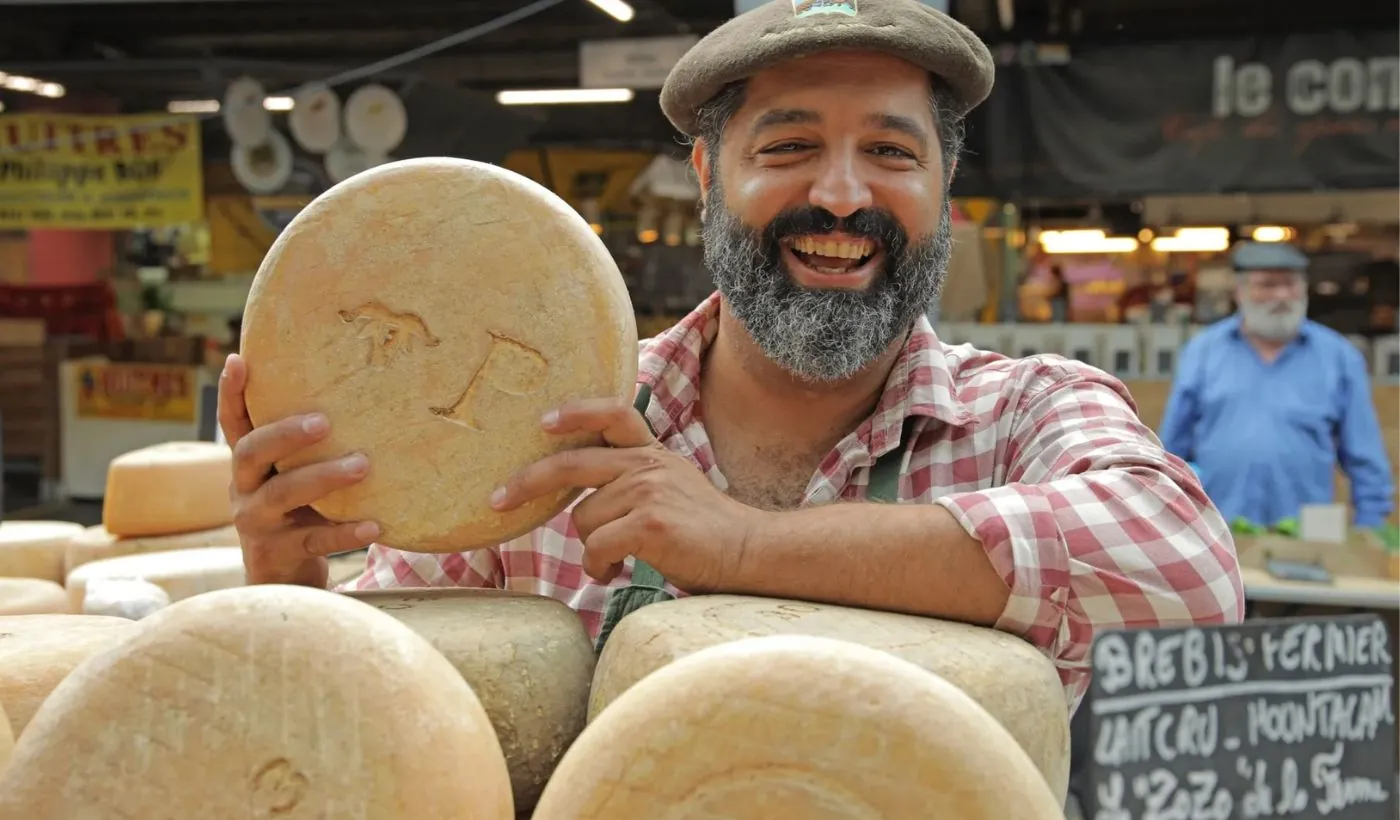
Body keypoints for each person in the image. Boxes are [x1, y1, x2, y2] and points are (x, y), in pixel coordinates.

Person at [218, 0, 1242, 713]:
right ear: (709, 173)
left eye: (889, 152)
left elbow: (1186, 567)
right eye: (787, 146)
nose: (841, 194)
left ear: (942, 191)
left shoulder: (1020, 414)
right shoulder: (537, 421)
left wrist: (739, 546)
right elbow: (398, 712)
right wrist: (293, 589)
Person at [1160, 241, 1395, 531]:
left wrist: (1370, 525)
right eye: (1268, 285)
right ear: (1240, 292)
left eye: (1291, 284)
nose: (1282, 295)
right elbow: (1172, 449)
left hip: (1308, 529)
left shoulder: (1338, 357)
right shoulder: (1204, 352)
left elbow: (1364, 454)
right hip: (1218, 526)